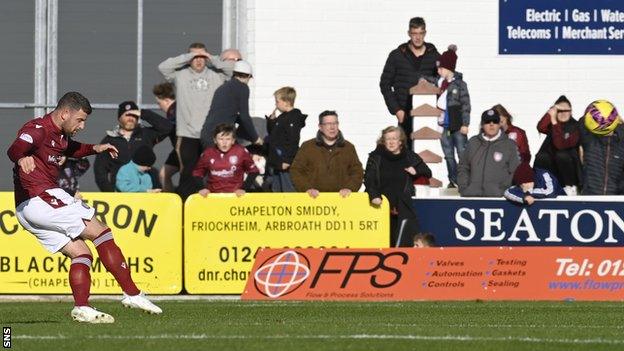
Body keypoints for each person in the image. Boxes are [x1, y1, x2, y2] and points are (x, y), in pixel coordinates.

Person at [6, 92, 162, 323]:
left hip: (27, 209)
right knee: (101, 232)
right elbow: (15, 148)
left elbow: (71, 149)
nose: (82, 125)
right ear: (65, 113)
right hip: (40, 197)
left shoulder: (59, 136)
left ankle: (82, 307)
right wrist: (21, 158)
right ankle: (132, 293)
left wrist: (96, 148)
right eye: (80, 120)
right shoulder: (38, 128)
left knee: (82, 253)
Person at [158, 44, 241, 198]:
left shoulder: (216, 74)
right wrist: (187, 56)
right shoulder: (180, 75)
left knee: (216, 170)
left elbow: (233, 70)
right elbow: (163, 67)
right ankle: (185, 208)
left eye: (201, 57)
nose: (198, 60)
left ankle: (212, 207)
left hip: (210, 133)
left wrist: (212, 58)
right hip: (187, 134)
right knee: (188, 171)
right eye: (194, 57)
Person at [364, 126, 432, 247]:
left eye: (394, 138)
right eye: (388, 139)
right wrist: (374, 195)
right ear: (383, 142)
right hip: (380, 206)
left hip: (403, 207)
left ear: (400, 141)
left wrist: (415, 170)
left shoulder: (409, 156)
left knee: (404, 244)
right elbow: (369, 179)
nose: (391, 142)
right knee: (382, 245)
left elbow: (427, 171)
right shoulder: (376, 157)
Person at [380, 17, 440, 150]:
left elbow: (442, 83)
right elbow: (385, 84)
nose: (418, 37)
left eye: (420, 33)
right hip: (405, 114)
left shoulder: (434, 56)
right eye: (414, 34)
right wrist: (397, 110)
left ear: (425, 33)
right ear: (409, 33)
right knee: (404, 154)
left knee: (426, 153)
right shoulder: (396, 56)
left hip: (427, 114)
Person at [94, 100, 172, 192]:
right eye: (127, 115)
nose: (131, 118)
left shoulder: (145, 134)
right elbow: (100, 170)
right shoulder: (109, 140)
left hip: (146, 191)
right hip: (121, 192)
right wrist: (110, 192)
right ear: (119, 117)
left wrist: (143, 113)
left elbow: (168, 127)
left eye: (134, 115)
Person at [290, 111, 363, 198]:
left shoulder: (348, 147)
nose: (332, 127)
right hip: (314, 200)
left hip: (342, 199)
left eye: (335, 123)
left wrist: (349, 188)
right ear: (320, 127)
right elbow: (296, 170)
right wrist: (307, 189)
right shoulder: (308, 147)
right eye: (328, 124)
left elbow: (357, 171)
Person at [199, 60, 262, 149]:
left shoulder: (222, 87)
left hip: (207, 134)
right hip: (221, 137)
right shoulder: (243, 88)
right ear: (247, 76)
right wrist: (255, 138)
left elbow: (228, 113)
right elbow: (245, 117)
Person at [457, 108, 521, 197]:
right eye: (487, 121)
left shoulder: (509, 145)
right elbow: (463, 167)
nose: (491, 124)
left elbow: (516, 171)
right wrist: (464, 188)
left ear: (499, 124)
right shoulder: (473, 142)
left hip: (497, 199)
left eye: (495, 121)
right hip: (471, 197)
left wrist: (502, 190)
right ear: (482, 125)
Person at [435, 45, 470, 188]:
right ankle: (453, 179)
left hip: (457, 124)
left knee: (462, 153)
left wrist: (465, 124)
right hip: (444, 125)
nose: (438, 71)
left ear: (448, 68)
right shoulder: (440, 83)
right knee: (448, 154)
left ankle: (465, 179)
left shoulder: (460, 84)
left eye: (440, 68)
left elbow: (466, 104)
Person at [192, 124, 259, 196]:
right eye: (221, 139)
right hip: (214, 196)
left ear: (233, 140)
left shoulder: (241, 151)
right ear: (215, 140)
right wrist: (202, 188)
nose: (224, 142)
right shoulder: (208, 153)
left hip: (235, 196)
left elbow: (254, 171)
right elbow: (197, 173)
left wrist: (243, 188)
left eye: (228, 139)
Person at [534, 95, 582, 195]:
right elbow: (541, 127)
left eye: (566, 110)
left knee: (561, 155)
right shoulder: (553, 124)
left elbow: (560, 144)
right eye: (559, 111)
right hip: (554, 165)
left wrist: (555, 123)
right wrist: (551, 112)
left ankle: (570, 187)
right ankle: (541, 183)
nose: (563, 113)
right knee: (542, 156)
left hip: (569, 168)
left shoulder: (575, 126)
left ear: (571, 111)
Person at [265, 87, 307, 192]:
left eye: (277, 101)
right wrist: (272, 121)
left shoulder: (294, 118)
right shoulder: (282, 117)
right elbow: (273, 134)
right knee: (276, 190)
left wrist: (288, 160)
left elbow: (293, 140)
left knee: (288, 190)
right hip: (276, 161)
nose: (276, 104)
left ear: (286, 102)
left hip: (285, 162)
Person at [578, 100, 624, 195]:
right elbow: (582, 123)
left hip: (616, 198)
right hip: (590, 196)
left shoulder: (620, 143)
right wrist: (591, 110)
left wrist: (620, 123)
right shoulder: (590, 140)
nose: (604, 121)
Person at [152, 82, 178, 192]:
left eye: (159, 103)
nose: (159, 107)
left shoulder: (175, 111)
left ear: (167, 100)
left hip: (187, 150)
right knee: (163, 175)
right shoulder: (172, 112)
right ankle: (173, 204)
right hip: (177, 151)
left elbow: (167, 128)